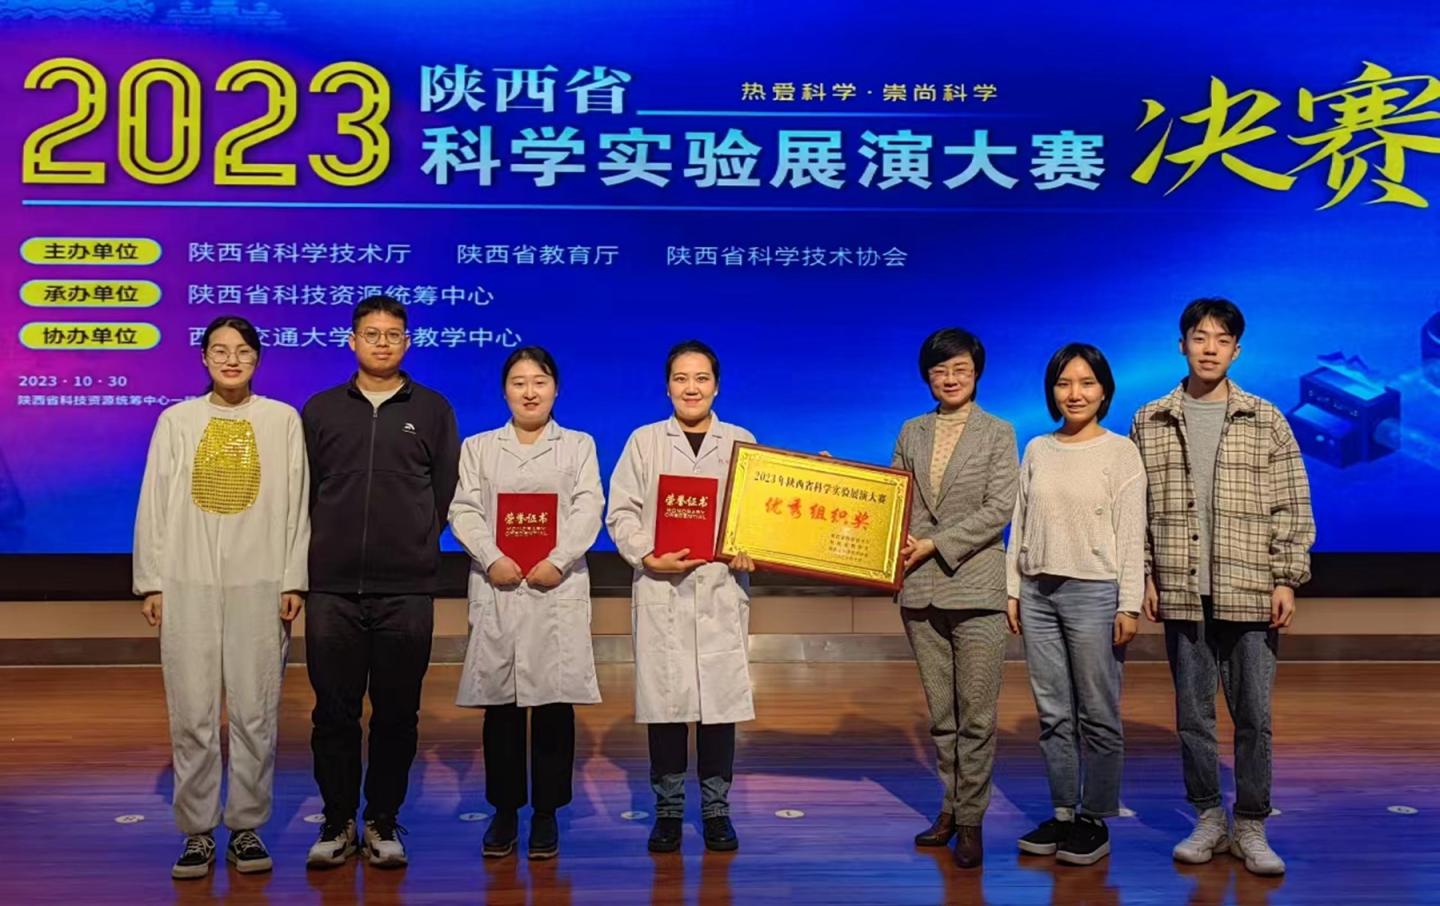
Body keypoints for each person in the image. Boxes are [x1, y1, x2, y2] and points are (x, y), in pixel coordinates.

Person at [1130, 298, 1314, 876]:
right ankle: (1209, 817)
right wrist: (1146, 574)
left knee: (1254, 716)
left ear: (1237, 350)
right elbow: (1136, 510)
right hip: (1183, 591)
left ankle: (1251, 824)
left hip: (1250, 587)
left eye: (1222, 339)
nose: (1209, 348)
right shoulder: (1150, 420)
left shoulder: (1266, 418)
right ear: (1181, 344)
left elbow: (1292, 503)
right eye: (1199, 336)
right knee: (1193, 716)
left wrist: (1286, 577)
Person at [133, 315, 309, 879]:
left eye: (242, 351)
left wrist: (293, 578)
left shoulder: (281, 420)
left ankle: (247, 826)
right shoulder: (177, 420)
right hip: (187, 579)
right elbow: (154, 502)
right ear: (204, 357)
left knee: (256, 709)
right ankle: (197, 831)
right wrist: (153, 581)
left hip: (261, 581)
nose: (231, 360)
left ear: (257, 358)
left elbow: (297, 502)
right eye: (219, 350)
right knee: (193, 710)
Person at [301, 295, 461, 869]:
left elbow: (445, 492)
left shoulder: (434, 409)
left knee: (397, 714)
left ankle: (382, 819)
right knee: (333, 714)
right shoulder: (321, 410)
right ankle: (338, 820)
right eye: (372, 334)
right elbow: (304, 491)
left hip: (407, 589)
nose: (383, 343)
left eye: (393, 334)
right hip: (332, 588)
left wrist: (413, 543)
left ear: (407, 342)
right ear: (352, 341)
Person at [448, 346, 604, 861]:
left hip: (555, 586)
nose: (530, 392)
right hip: (501, 585)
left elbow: (588, 509)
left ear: (556, 389)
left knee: (554, 703)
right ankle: (504, 810)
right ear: (504, 391)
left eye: (539, 382)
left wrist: (558, 560)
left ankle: (547, 812)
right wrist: (491, 557)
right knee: (503, 707)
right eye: (519, 382)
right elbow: (463, 510)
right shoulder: (479, 447)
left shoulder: (578, 445)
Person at [605, 340, 757, 854]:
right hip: (662, 588)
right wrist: (647, 555)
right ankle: (668, 811)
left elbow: (758, 515)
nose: (691, 388)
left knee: (719, 708)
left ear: (717, 385)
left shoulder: (740, 442)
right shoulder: (644, 441)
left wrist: (752, 549)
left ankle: (716, 810)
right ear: (667, 386)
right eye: (681, 378)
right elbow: (620, 512)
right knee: (666, 707)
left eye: (701, 378)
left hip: (718, 591)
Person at [1006, 343, 1145, 866]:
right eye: (1064, 383)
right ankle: (1063, 812)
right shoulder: (1038, 449)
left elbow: (1131, 534)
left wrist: (1129, 604)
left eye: (1086, 383)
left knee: (1098, 714)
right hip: (1038, 591)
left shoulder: (1120, 452)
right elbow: (1020, 523)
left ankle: (1095, 818)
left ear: (1104, 390)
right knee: (1053, 713)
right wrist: (1013, 589)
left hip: (1095, 593)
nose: (1075, 393)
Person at [890, 328, 1018, 869]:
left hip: (977, 588)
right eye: (940, 370)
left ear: (976, 373)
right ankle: (949, 806)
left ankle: (971, 820)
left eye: (960, 369)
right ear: (927, 376)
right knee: (942, 715)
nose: (950, 378)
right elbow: (892, 497)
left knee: (977, 717)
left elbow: (999, 508)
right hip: (920, 590)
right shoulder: (911, 430)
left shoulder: (998, 432)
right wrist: (835, 477)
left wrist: (936, 544)